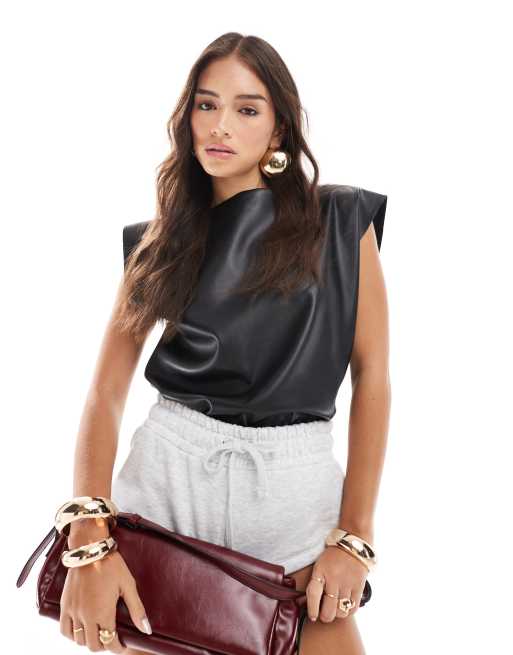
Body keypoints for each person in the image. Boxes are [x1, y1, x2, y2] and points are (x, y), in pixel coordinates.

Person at [59, 32, 390, 655]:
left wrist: (354, 536)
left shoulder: (342, 222)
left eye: (247, 109)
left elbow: (372, 376)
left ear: (279, 128)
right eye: (206, 105)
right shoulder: (157, 244)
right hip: (168, 491)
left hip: (292, 495)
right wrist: (89, 539)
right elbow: (105, 394)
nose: (220, 126)